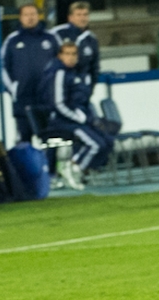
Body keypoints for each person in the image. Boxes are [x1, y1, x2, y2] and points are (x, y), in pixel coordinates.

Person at [39, 38, 112, 188]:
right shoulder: (58, 73)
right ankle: (74, 167)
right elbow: (58, 104)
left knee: (107, 141)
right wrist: (78, 117)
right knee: (95, 144)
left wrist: (88, 118)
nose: (71, 57)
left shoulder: (74, 73)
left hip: (78, 120)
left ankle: (77, 166)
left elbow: (82, 100)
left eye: (74, 54)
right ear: (60, 55)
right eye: (67, 54)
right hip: (63, 121)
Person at [0, 3, 56, 141]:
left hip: (47, 98)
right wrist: (13, 89)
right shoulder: (12, 40)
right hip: (23, 99)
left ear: (38, 16)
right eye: (26, 15)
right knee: (24, 139)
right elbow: (2, 67)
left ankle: (48, 163)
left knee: (50, 139)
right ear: (20, 18)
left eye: (33, 14)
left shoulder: (51, 38)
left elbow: (61, 64)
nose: (30, 18)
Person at [51, 1, 100, 100]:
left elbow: (94, 68)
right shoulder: (57, 34)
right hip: (60, 90)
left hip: (82, 91)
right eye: (78, 15)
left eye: (85, 14)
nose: (83, 18)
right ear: (70, 17)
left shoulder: (91, 39)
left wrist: (89, 89)